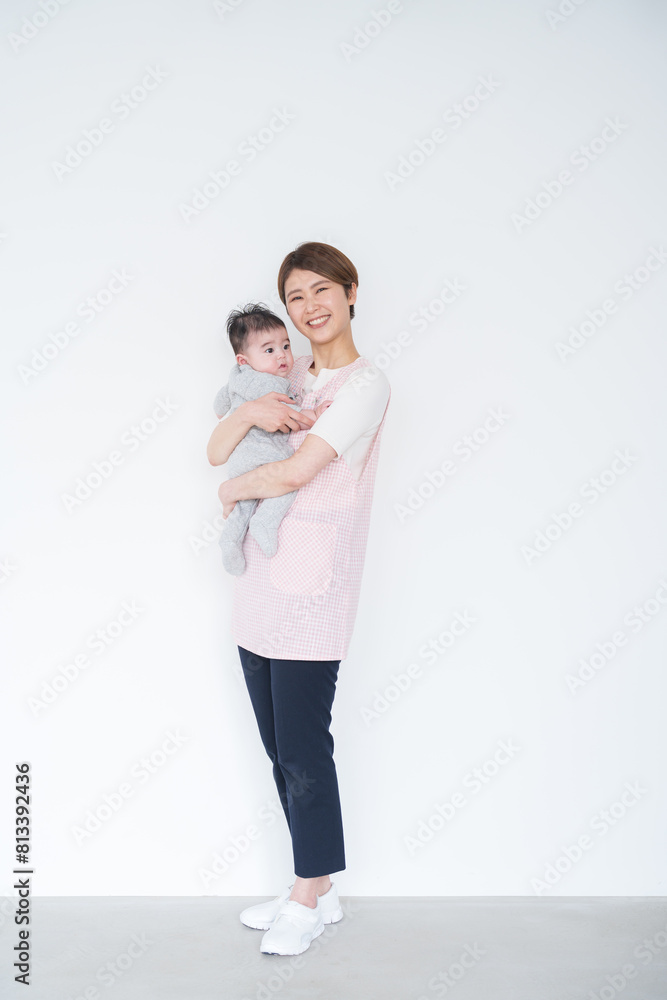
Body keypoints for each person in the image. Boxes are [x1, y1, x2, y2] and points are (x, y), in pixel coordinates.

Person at [207, 241, 391, 957]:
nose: (309, 308)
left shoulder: (363, 385)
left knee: (306, 747)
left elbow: (293, 474)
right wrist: (244, 425)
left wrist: (230, 490)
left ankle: (308, 894)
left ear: (350, 292)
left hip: (314, 590)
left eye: (321, 290)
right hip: (261, 583)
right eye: (295, 298)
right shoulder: (287, 373)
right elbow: (221, 438)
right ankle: (316, 883)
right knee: (278, 746)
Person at [212, 304, 331, 575]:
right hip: (262, 452)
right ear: (244, 360)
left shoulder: (235, 377)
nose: (282, 356)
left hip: (239, 459)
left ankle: (230, 539)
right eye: (269, 350)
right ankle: (266, 520)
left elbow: (220, 403)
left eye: (286, 346)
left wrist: (224, 413)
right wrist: (314, 415)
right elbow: (289, 413)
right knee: (286, 477)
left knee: (244, 503)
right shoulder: (270, 384)